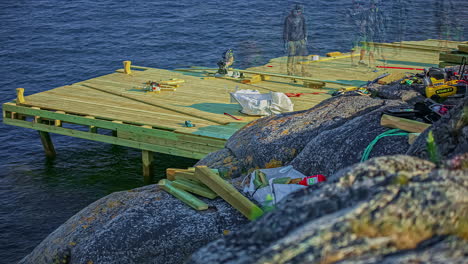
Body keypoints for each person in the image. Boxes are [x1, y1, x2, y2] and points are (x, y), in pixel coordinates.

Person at [283, 4, 308, 78]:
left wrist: (305, 36)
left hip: (301, 39)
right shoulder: (288, 19)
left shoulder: (302, 18)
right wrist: (285, 41)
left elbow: (304, 27)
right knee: (291, 56)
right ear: (294, 11)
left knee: (304, 55)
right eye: (298, 11)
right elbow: (286, 30)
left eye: (300, 11)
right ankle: (290, 72)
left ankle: (304, 71)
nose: (299, 13)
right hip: (291, 40)